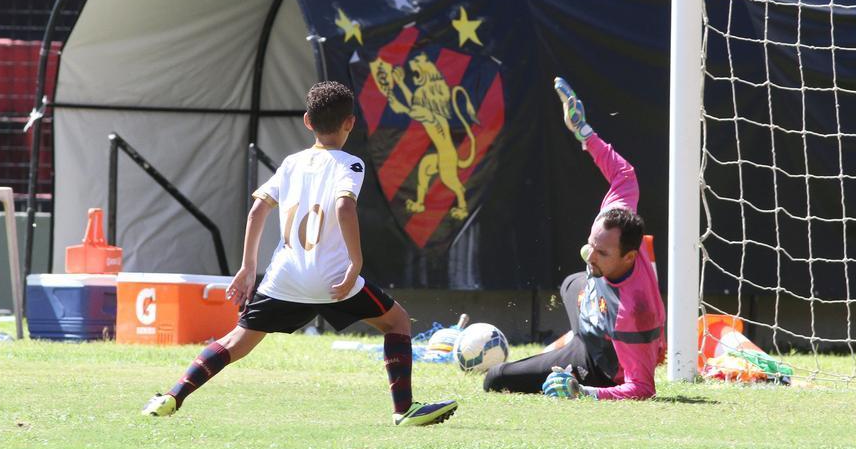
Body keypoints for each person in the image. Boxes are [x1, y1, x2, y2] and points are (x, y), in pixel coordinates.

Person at [141, 81, 458, 426]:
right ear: (350, 123)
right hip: (333, 278)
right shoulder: (350, 164)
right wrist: (356, 262)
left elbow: (257, 211)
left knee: (238, 340)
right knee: (396, 321)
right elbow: (344, 208)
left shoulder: (292, 163)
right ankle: (404, 410)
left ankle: (173, 396)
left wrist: (248, 268)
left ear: (307, 121)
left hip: (286, 276)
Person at [483, 77, 665, 400]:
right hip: (591, 307)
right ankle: (578, 333)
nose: (589, 254)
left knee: (494, 379)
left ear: (629, 257)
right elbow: (624, 174)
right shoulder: (615, 212)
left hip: (595, 363)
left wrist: (583, 391)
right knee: (571, 282)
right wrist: (583, 131)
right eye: (591, 243)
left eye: (602, 252)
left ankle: (574, 351)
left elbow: (643, 389)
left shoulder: (633, 311)